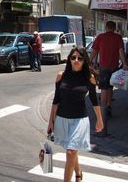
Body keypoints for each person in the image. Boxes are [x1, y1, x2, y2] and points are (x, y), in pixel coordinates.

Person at [47, 47, 103, 182]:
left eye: (79, 58)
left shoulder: (89, 78)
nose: (76, 60)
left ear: (84, 60)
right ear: (69, 60)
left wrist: (99, 120)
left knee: (71, 151)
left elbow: (94, 100)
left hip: (80, 120)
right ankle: (78, 173)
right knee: (72, 151)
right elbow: (56, 100)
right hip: (62, 118)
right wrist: (50, 122)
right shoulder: (61, 75)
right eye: (73, 58)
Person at [89, 20, 128, 134]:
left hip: (104, 67)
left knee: (104, 89)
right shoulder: (118, 38)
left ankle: (103, 110)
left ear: (106, 27)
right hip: (114, 68)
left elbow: (94, 51)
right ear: (114, 28)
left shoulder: (100, 37)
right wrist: (124, 63)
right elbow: (121, 51)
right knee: (110, 87)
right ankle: (108, 106)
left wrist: (89, 60)